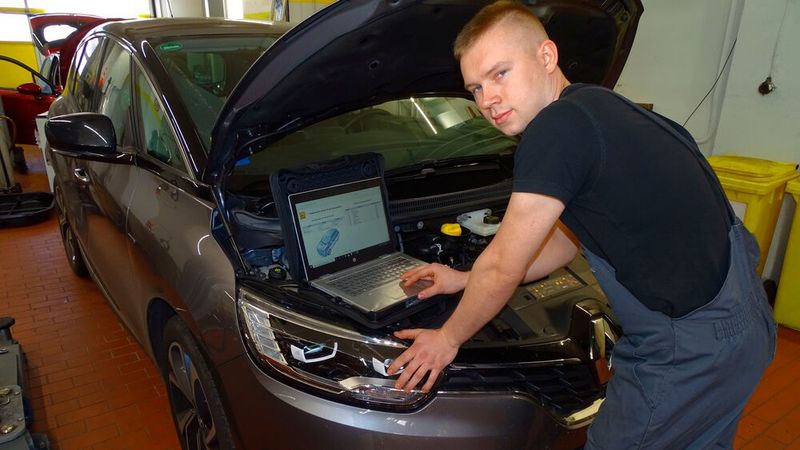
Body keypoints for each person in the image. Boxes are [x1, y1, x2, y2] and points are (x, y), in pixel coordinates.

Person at [386, 1, 777, 448]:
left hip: (689, 351)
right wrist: (462, 278)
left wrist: (447, 339)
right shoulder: (602, 107)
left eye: (500, 74)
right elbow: (564, 244)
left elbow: (503, 266)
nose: (487, 99)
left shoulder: (557, 128)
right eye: (475, 87)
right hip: (743, 331)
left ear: (546, 57)